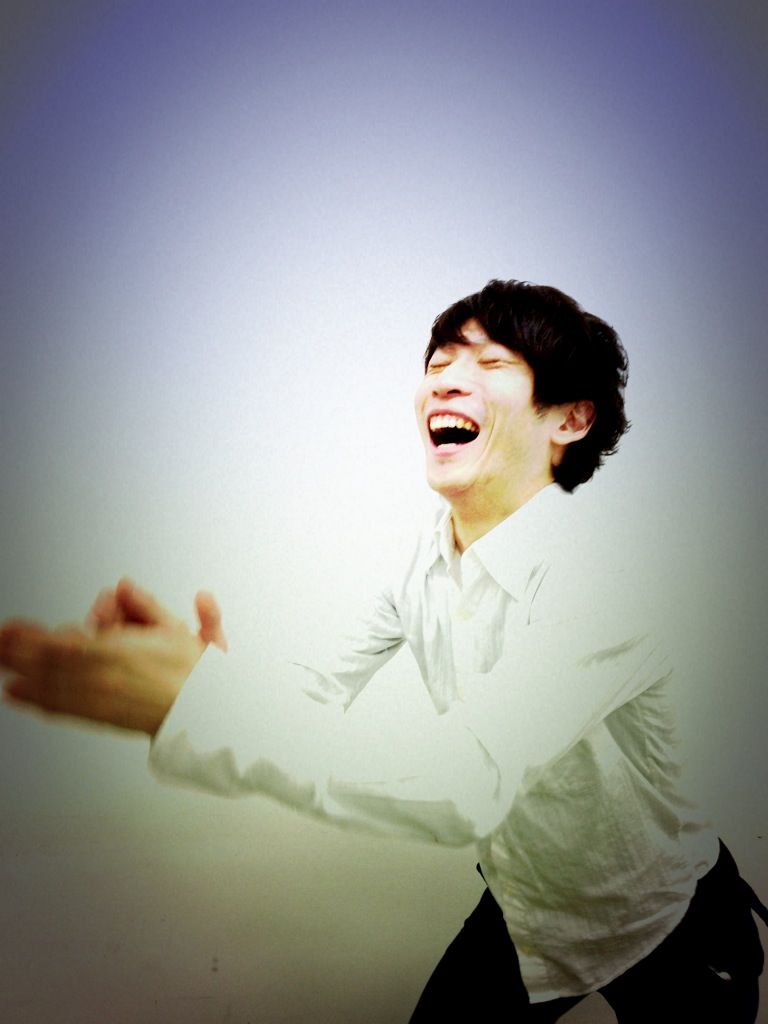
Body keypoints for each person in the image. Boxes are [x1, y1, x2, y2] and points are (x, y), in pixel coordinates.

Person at [1, 279, 765, 1022]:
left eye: (491, 364)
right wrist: (206, 675)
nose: (446, 382)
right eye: (439, 363)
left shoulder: (612, 579)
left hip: (669, 925)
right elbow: (316, 679)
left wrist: (193, 706)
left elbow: (468, 780)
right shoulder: (417, 562)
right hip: (530, 911)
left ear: (570, 418)